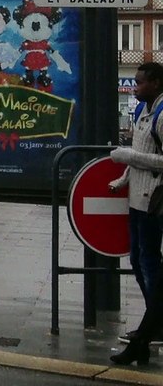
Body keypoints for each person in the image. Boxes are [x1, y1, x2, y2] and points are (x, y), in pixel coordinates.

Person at [110, 62, 163, 365]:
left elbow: (150, 158)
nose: (135, 87)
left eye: (140, 82)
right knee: (138, 261)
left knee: (149, 263)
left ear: (156, 83)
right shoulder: (143, 111)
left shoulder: (162, 114)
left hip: (154, 202)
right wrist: (122, 179)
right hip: (136, 201)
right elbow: (140, 155)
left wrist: (129, 156)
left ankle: (152, 327)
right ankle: (152, 322)